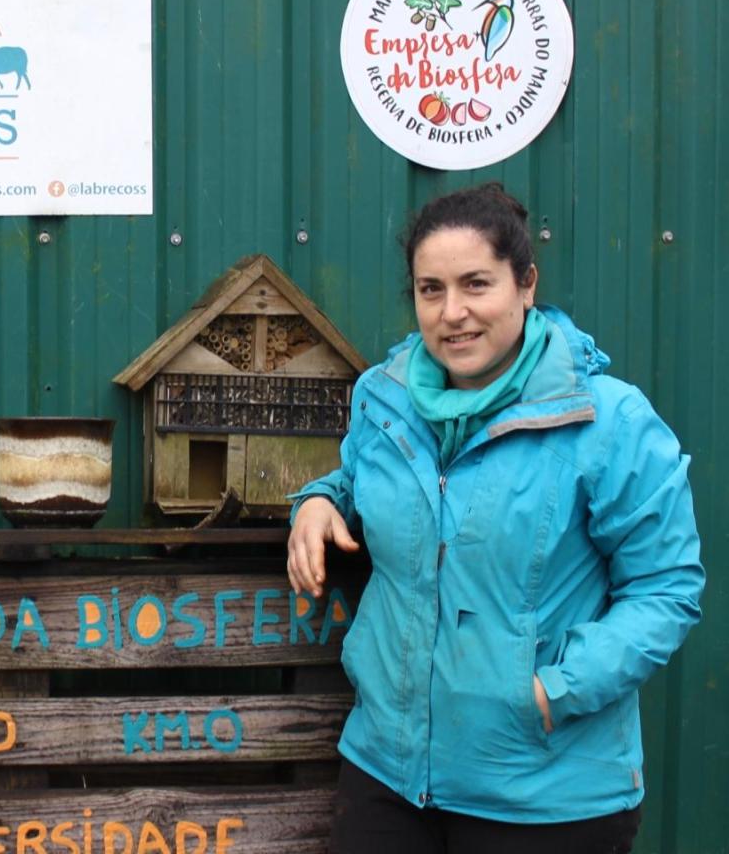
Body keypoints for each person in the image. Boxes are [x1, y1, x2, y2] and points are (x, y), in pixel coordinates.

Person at [285, 182, 703, 853]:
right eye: (431, 289)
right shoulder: (384, 400)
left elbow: (666, 589)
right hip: (388, 773)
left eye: (477, 284)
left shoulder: (608, 420)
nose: (453, 313)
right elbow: (365, 480)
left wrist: (550, 691)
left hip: (545, 792)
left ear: (526, 284)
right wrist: (319, 501)